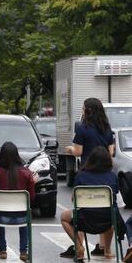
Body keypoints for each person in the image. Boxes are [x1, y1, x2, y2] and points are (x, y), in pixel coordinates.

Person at [63, 97, 115, 257]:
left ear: (87, 111)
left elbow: (78, 152)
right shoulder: (107, 128)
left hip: (88, 170)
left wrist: (69, 149)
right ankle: (105, 248)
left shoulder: (82, 128)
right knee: (105, 206)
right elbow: (111, 152)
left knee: (82, 206)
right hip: (105, 170)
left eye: (83, 108)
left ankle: (79, 247)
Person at [60, 146, 119, 261]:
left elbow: (74, 199)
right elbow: (115, 196)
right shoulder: (112, 176)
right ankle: (107, 250)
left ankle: (78, 247)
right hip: (106, 220)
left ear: (90, 160)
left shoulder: (82, 175)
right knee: (110, 214)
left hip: (84, 219)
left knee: (64, 217)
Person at [0, 142, 35, 262]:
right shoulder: (26, 173)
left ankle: (2, 250)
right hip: (22, 216)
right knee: (26, 214)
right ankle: (23, 251)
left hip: (1, 217)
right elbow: (32, 197)